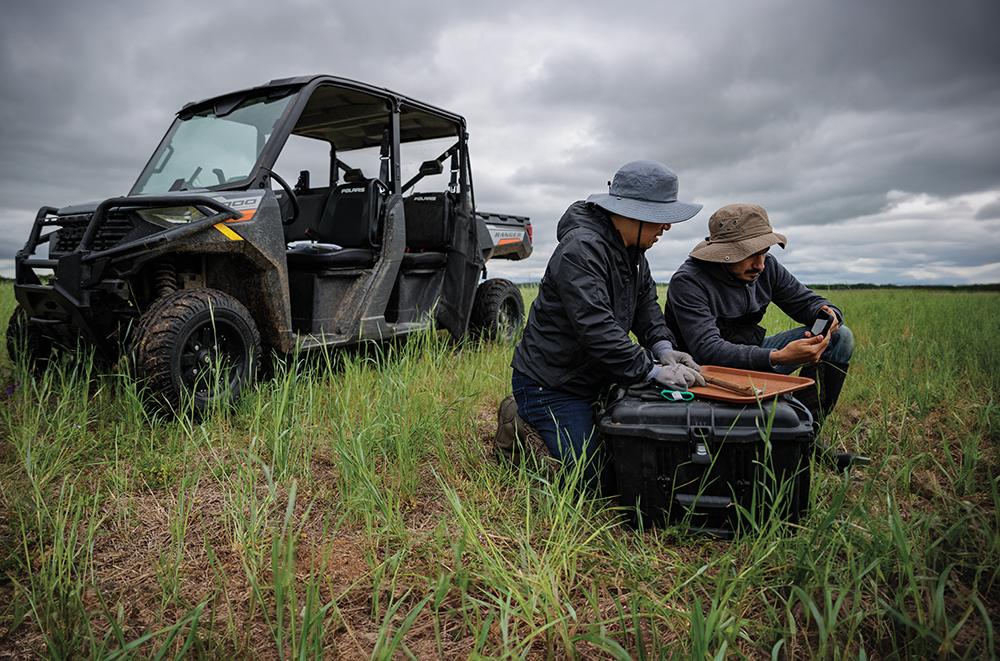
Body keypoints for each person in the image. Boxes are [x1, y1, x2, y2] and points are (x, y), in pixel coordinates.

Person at [498, 160, 706, 492]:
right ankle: (520, 424)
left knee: (635, 460)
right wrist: (651, 370)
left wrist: (665, 349)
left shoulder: (634, 253)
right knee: (594, 483)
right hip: (552, 384)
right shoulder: (581, 249)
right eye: (661, 218)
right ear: (634, 212)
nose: (666, 227)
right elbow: (596, 328)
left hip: (599, 374)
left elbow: (646, 308)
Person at [663, 203, 864, 468]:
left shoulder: (767, 266)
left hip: (756, 353)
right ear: (724, 252)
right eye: (750, 255)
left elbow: (806, 301)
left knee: (841, 338)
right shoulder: (689, 281)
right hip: (707, 370)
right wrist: (776, 357)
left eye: (764, 252)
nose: (760, 264)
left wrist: (828, 313)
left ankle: (805, 437)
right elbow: (707, 350)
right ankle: (793, 432)